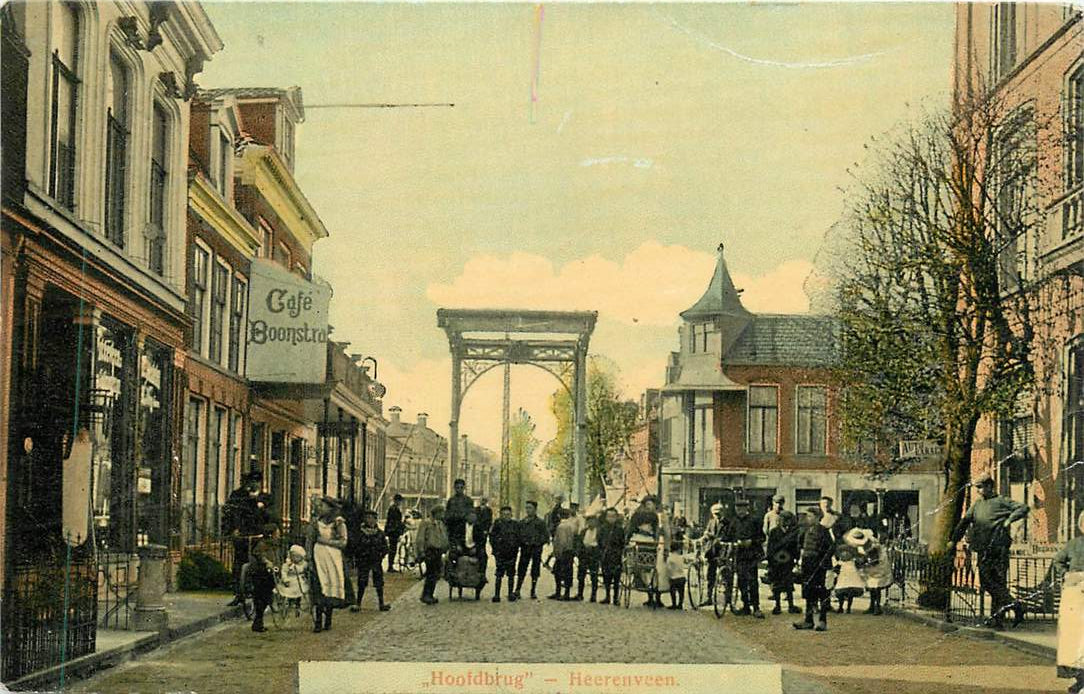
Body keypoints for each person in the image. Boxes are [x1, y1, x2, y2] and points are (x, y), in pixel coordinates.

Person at [948, 472, 1029, 629]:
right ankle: (1016, 606)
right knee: (988, 583)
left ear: (990, 486)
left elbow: (1023, 508)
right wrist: (953, 539)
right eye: (977, 488)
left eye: (981, 487)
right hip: (983, 550)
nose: (978, 490)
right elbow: (964, 522)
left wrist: (1009, 520)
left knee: (997, 583)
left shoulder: (1001, 501)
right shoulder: (977, 505)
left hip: (999, 549)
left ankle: (997, 621)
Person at [223, 471, 270, 606]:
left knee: (259, 562)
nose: (253, 484)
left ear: (260, 483)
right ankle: (239, 594)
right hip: (242, 534)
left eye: (256, 482)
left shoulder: (265, 498)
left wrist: (260, 505)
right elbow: (231, 512)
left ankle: (257, 590)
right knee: (239, 563)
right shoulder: (237, 496)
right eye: (250, 482)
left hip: (259, 535)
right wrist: (233, 530)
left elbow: (269, 517)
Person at [306, 496, 349, 632]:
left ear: (331, 508)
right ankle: (318, 621)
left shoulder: (339, 523)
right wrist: (308, 557)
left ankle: (328, 619)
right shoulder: (315, 523)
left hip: (333, 558)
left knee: (331, 586)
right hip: (318, 558)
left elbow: (343, 542)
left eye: (323, 506)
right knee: (319, 587)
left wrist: (326, 542)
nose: (320, 508)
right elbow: (309, 540)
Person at [1054, 511, 1084, 694]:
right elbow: (1058, 561)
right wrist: (1067, 575)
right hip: (1075, 594)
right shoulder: (1073, 544)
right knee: (1073, 639)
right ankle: (1079, 679)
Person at [794, 507, 837, 632]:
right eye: (807, 516)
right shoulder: (805, 530)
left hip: (820, 566)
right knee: (808, 592)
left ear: (818, 517)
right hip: (808, 565)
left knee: (822, 593)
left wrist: (824, 562)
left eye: (810, 516)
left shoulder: (824, 531)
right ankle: (808, 620)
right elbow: (800, 545)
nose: (808, 518)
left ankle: (822, 621)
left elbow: (832, 548)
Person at [725, 498, 765, 618]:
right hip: (739, 555)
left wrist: (751, 541)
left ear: (747, 509)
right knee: (741, 581)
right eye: (737, 508)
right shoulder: (733, 521)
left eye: (742, 508)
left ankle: (756, 607)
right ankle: (746, 606)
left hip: (752, 555)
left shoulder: (755, 520)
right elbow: (728, 537)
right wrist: (730, 542)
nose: (740, 511)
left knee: (752, 581)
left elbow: (762, 537)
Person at [350, 510, 391, 612]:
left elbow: (385, 547)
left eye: (371, 518)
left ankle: (381, 603)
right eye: (367, 517)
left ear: (375, 519)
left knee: (379, 582)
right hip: (363, 560)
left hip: (376, 561)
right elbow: (355, 546)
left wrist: (381, 555)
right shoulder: (360, 533)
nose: (369, 520)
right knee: (362, 581)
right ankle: (358, 603)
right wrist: (359, 556)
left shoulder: (380, 533)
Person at [847, 527, 892, 615]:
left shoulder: (873, 545)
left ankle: (877, 607)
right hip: (871, 566)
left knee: (876, 586)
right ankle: (872, 606)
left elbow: (874, 559)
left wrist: (864, 561)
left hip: (878, 565)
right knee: (871, 586)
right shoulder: (865, 544)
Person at [766, 512, 801, 615]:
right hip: (776, 561)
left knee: (788, 583)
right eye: (783, 520)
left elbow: (796, 546)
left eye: (787, 520)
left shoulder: (794, 532)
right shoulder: (774, 532)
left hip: (788, 561)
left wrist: (796, 558)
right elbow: (770, 547)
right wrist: (770, 560)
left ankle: (791, 605)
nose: (785, 522)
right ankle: (777, 606)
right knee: (776, 583)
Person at [515, 500, 549, 600]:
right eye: (527, 508)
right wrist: (522, 542)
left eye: (530, 508)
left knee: (535, 570)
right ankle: (517, 589)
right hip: (525, 549)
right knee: (522, 569)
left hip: (536, 549)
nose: (528, 510)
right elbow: (518, 535)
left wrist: (538, 542)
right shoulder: (522, 522)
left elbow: (546, 536)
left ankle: (533, 591)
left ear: (535, 509)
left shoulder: (540, 523)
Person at [416, 505, 450, 605]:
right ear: (436, 513)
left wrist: (445, 547)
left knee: (435, 574)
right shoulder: (426, 523)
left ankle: (429, 594)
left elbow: (443, 537)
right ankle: (426, 595)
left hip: (438, 551)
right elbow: (420, 538)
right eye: (441, 512)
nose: (443, 515)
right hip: (430, 550)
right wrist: (421, 551)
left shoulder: (440, 524)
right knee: (431, 573)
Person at [247, 529, 279, 633]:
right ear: (271, 534)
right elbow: (259, 554)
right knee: (262, 597)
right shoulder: (262, 544)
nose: (278, 535)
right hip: (261, 574)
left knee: (266, 597)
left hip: (269, 574)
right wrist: (266, 561)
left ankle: (258, 622)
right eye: (277, 533)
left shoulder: (274, 545)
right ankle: (258, 623)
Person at [700, 502, 731, 607]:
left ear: (723, 512)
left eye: (718, 513)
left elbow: (728, 537)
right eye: (714, 513)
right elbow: (707, 533)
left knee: (725, 576)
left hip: (723, 552)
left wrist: (714, 537)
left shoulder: (728, 523)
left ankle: (728, 598)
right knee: (710, 575)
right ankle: (709, 597)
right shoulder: (711, 522)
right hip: (711, 552)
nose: (716, 515)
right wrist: (704, 536)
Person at [489, 505, 520, 602]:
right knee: (499, 574)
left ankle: (510, 594)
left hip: (511, 553)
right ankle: (496, 594)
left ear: (511, 515)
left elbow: (518, 537)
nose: (506, 516)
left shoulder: (515, 524)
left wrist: (515, 547)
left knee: (511, 574)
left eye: (508, 514)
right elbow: (492, 537)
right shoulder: (497, 524)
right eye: (504, 514)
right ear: (501, 515)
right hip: (500, 553)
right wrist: (495, 549)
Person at [597, 507, 625, 605]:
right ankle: (607, 596)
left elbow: (622, 543)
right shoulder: (603, 529)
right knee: (606, 577)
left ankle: (615, 598)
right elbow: (599, 541)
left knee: (616, 578)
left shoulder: (620, 529)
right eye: (609, 516)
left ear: (616, 517)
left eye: (613, 516)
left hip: (616, 555)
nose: (611, 518)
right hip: (606, 555)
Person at [550, 508, 578, 601]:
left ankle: (559, 592)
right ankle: (566, 592)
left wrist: (558, 552)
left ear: (559, 516)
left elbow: (562, 541)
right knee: (568, 572)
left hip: (563, 552)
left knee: (557, 572)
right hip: (570, 551)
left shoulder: (561, 526)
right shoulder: (572, 525)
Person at [575, 514, 601, 602]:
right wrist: (579, 553)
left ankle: (593, 596)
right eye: (589, 521)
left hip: (594, 555)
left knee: (594, 576)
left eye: (593, 521)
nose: (591, 523)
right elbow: (579, 543)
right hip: (584, 555)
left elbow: (601, 544)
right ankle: (580, 594)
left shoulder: (599, 532)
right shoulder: (583, 531)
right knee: (581, 576)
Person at [444, 478, 474, 548]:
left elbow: (471, 514)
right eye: (457, 488)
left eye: (461, 487)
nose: (459, 490)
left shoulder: (468, 501)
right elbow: (448, 514)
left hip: (465, 529)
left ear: (464, 488)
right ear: (454, 488)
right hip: (453, 529)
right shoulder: (451, 501)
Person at [385, 494, 406, 573]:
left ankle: (390, 565)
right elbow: (395, 521)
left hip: (392, 531)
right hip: (393, 531)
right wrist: (401, 526)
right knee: (393, 549)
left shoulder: (393, 508)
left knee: (393, 548)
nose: (400, 503)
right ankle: (390, 566)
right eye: (399, 501)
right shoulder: (394, 509)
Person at [666, 537, 687, 610]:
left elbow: (668, 568)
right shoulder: (681, 557)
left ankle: (674, 604)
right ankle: (680, 604)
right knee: (681, 592)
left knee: (673, 591)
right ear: (678, 549)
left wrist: (668, 576)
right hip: (682, 577)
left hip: (674, 577)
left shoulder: (670, 558)